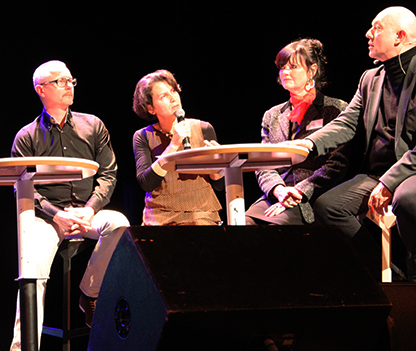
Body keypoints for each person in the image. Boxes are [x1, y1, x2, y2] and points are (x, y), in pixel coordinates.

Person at [288, 7, 416, 281]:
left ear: (400, 36)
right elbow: (347, 123)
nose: (369, 34)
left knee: (408, 199)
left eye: (377, 28)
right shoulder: (370, 78)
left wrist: (390, 182)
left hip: (411, 172)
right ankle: (393, 279)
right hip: (377, 175)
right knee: (328, 207)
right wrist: (308, 144)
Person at [9, 60, 129, 350]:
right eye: (60, 81)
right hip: (46, 217)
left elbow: (109, 173)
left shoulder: (93, 125)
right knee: (32, 268)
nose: (68, 86)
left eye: (70, 80)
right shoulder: (27, 136)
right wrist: (56, 214)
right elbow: (21, 187)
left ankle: (89, 292)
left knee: (120, 224)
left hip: (87, 212)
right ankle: (23, 346)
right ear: (41, 89)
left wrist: (90, 208)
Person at [245, 39, 350, 225]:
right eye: (282, 67)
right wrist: (278, 189)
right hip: (278, 193)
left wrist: (301, 190)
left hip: (314, 193)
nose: (285, 71)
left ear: (312, 70)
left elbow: (337, 164)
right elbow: (263, 164)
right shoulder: (272, 115)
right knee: (241, 225)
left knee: (274, 228)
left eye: (292, 66)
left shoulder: (335, 109)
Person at [132, 69, 223, 225]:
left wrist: (217, 163)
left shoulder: (203, 128)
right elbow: (146, 183)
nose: (173, 98)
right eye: (163, 96)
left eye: (173, 91)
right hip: (159, 216)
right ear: (150, 108)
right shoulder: (143, 136)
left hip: (201, 212)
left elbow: (219, 185)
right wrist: (173, 145)